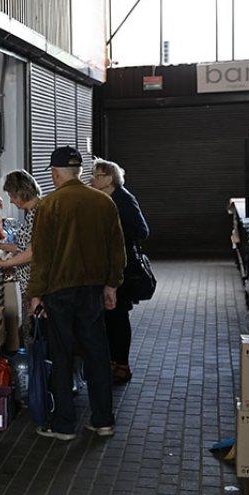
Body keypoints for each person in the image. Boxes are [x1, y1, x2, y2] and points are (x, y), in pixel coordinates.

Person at [26, 146, 126, 441]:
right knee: (97, 353)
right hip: (92, 290)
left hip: (59, 291)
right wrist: (111, 285)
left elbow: (41, 257)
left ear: (56, 174)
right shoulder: (103, 202)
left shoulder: (50, 205)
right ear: (80, 172)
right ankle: (103, 420)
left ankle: (64, 425)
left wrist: (35, 294)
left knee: (62, 355)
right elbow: (116, 249)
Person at [90, 157, 149, 385]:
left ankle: (122, 365)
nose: (93, 179)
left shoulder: (123, 199)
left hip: (123, 268)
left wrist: (115, 236)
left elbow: (142, 231)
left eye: (98, 175)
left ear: (110, 179)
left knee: (118, 315)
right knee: (111, 317)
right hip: (109, 267)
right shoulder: (103, 199)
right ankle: (114, 362)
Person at [0, 170, 41, 343]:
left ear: (20, 192)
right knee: (31, 330)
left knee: (35, 332)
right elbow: (25, 246)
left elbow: (33, 252)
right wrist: (0, 246)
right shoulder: (33, 212)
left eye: (11, 195)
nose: (10, 200)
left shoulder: (38, 213)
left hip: (37, 285)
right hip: (31, 286)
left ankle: (39, 367)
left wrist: (4, 263)